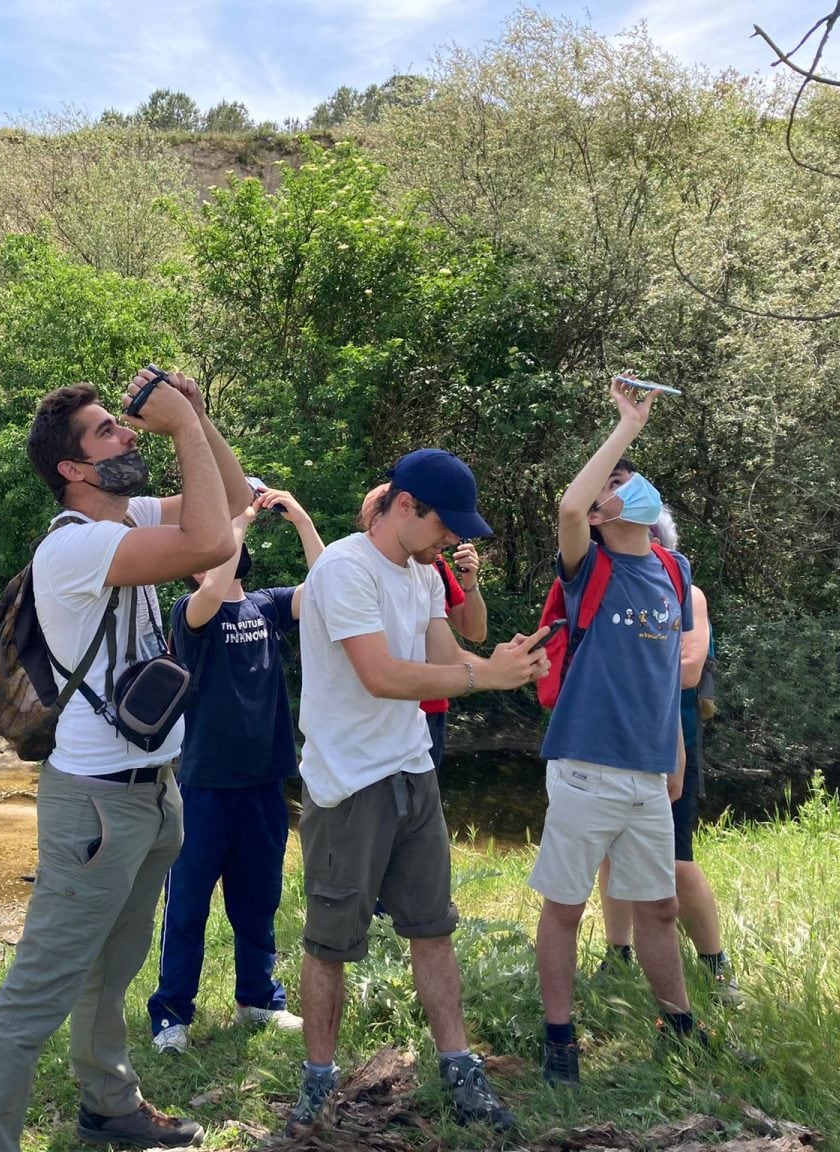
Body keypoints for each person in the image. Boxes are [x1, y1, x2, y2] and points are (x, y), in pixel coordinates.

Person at [0, 368, 251, 1152]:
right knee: (39, 988)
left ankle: (109, 1104)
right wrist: (180, 426)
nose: (125, 434)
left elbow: (234, 501)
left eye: (120, 425)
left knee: (112, 966)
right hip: (96, 806)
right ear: (73, 471)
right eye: (105, 431)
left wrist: (196, 415)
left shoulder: (127, 518)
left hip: (152, 793)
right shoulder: (76, 547)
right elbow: (214, 544)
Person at [289, 449, 549, 1135]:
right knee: (329, 944)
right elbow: (380, 674)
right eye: (443, 525)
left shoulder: (425, 574)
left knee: (433, 929)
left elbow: (442, 658)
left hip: (412, 772)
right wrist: (481, 679)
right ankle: (317, 1084)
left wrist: (500, 666)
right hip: (348, 783)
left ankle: (460, 1070)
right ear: (406, 506)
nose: (451, 541)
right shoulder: (344, 569)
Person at [531, 378, 704, 1087]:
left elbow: (667, 675)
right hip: (584, 764)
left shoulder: (671, 568)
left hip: (647, 769)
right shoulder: (588, 563)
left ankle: (681, 1027)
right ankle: (559, 1039)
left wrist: (677, 753)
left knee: (658, 905)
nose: (630, 485)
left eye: (633, 477)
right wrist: (628, 425)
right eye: (617, 480)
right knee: (567, 908)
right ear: (604, 510)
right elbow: (571, 504)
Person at [146, 483, 324, 1055]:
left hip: (264, 784)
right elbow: (216, 579)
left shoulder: (268, 605)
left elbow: (325, 586)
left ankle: (259, 1000)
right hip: (204, 788)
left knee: (258, 900)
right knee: (189, 906)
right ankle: (172, 1013)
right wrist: (237, 519)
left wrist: (298, 517)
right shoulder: (190, 612)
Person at [597, 507, 739, 1003]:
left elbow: (689, 668)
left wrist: (620, 664)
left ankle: (716, 968)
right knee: (610, 854)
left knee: (676, 862)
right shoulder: (607, 588)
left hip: (672, 740)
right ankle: (617, 957)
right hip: (613, 739)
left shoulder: (686, 592)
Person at [360, 484, 487, 767]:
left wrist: (471, 583)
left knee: (421, 795)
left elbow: (475, 633)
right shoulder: (359, 570)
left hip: (429, 706)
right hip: (379, 711)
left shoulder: (434, 568)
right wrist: (495, 673)